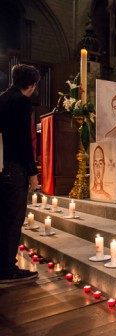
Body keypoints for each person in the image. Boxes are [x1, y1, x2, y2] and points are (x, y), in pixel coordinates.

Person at [0, 64, 40, 283]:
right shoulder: (22, 102)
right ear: (32, 85)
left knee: (2, 217)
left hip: (0, 164)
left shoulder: (2, 99)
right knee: (14, 219)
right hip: (15, 167)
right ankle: (7, 268)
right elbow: (23, 141)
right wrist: (32, 172)